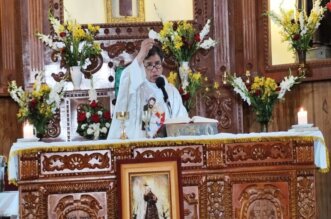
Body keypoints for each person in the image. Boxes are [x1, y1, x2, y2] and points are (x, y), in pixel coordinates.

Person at [107, 39, 188, 139]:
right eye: (149, 65)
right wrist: (141, 55)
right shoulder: (137, 90)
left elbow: (182, 120)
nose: (154, 69)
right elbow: (126, 80)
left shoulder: (171, 92)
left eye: (157, 63)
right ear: (142, 67)